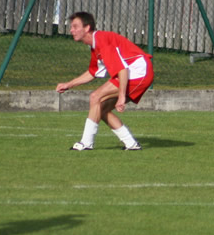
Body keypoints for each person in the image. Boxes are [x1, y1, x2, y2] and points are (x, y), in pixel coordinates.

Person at [56, 11, 153, 151]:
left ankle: (86, 143)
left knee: (95, 97)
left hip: (139, 72)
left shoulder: (101, 41)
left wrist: (121, 96)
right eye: (71, 27)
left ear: (87, 28)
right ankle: (131, 144)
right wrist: (68, 84)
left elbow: (122, 70)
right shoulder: (95, 45)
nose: (71, 30)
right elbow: (93, 72)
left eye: (75, 26)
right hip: (135, 72)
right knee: (100, 109)